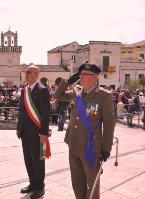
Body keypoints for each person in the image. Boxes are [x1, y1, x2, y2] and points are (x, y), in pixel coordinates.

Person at [54, 63, 116, 199]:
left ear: (95, 77)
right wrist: (69, 81)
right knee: (77, 182)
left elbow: (109, 124)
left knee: (92, 184)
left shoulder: (103, 96)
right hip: (74, 143)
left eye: (85, 74)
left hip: (91, 147)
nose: (81, 77)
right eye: (80, 74)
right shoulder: (76, 92)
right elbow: (57, 96)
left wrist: (106, 149)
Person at [16, 65, 51, 199]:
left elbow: (46, 113)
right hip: (25, 132)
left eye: (28, 72)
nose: (26, 74)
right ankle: (32, 183)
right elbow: (21, 111)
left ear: (36, 74)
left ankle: (40, 187)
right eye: (26, 72)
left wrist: (44, 133)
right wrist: (19, 128)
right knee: (28, 160)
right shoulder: (25, 90)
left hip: (37, 133)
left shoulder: (42, 90)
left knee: (38, 161)